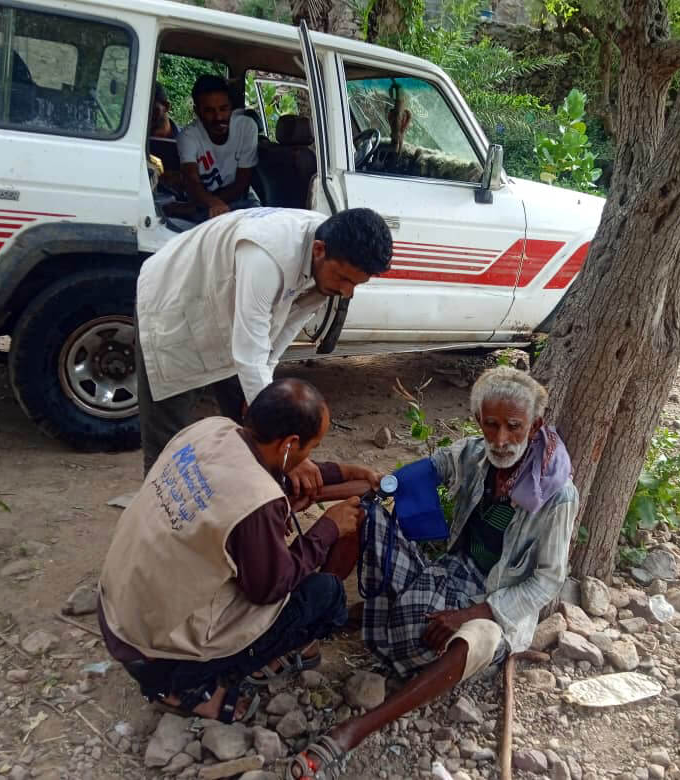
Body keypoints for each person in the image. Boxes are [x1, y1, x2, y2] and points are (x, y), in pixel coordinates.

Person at [287, 367, 578, 779]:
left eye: (514, 426)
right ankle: (313, 632)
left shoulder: (556, 494)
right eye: (491, 424)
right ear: (479, 421)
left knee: (478, 638)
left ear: (535, 426)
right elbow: (409, 478)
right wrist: (311, 492)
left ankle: (355, 730)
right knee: (363, 515)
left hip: (493, 603)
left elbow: (548, 579)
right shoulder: (476, 454)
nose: (500, 438)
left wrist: (472, 613)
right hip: (447, 573)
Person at [97, 379, 379, 720]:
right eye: (312, 447)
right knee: (324, 594)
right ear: (290, 443)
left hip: (116, 609)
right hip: (154, 655)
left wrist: (345, 473)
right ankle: (189, 687)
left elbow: (254, 479)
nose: (311, 457)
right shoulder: (257, 501)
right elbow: (269, 589)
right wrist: (328, 528)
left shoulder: (210, 430)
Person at [134, 207, 393, 476]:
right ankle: (160, 510)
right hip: (176, 302)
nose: (346, 291)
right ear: (318, 250)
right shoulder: (267, 256)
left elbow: (282, 332)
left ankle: (242, 501)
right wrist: (288, 452)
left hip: (231, 314)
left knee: (255, 427)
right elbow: (249, 354)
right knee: (168, 445)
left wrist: (264, 394)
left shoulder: (329, 263)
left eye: (356, 284)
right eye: (343, 279)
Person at [176, 74, 261, 217]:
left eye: (223, 109)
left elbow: (242, 182)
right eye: (209, 111)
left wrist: (212, 204)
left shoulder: (246, 127)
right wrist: (210, 203)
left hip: (242, 203)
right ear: (197, 112)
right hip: (204, 204)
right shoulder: (188, 136)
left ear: (231, 107)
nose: (218, 117)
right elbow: (191, 180)